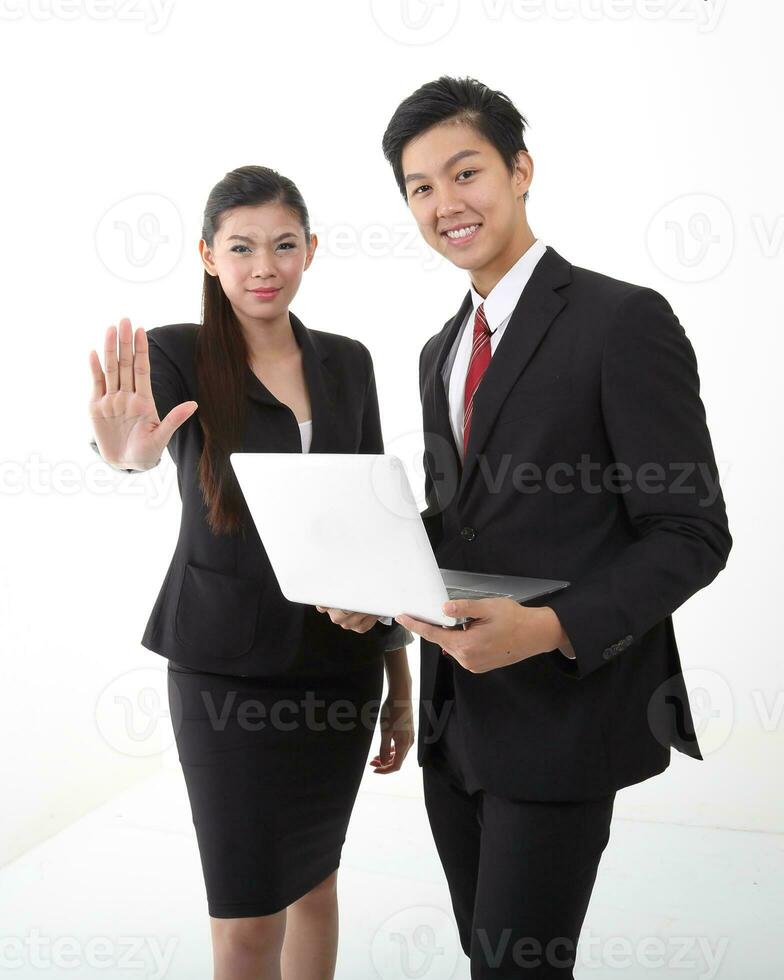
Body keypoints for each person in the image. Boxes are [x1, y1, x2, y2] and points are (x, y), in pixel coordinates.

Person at [327, 76, 732, 978]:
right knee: (487, 957)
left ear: (521, 171)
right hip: (456, 723)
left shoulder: (622, 321)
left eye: (464, 172)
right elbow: (462, 528)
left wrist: (550, 628)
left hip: (563, 719)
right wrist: (378, 590)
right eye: (420, 188)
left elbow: (692, 532)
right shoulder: (440, 351)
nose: (444, 204)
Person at [87, 165, 414, 980]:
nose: (263, 266)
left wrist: (400, 677)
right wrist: (126, 454)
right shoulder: (179, 352)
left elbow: (376, 521)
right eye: (241, 247)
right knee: (244, 920)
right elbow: (132, 440)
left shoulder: (348, 362)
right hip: (225, 671)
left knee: (316, 881)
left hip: (341, 666)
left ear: (311, 251)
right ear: (207, 255)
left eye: (283, 245)